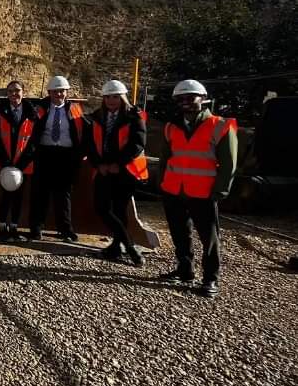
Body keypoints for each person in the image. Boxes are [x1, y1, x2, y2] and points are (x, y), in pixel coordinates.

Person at [158, 79, 238, 298]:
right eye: (181, 99)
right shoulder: (171, 126)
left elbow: (229, 163)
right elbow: (166, 158)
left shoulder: (220, 125)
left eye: (190, 97)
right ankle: (185, 269)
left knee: (209, 238)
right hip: (174, 190)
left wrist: (221, 190)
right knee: (179, 233)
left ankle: (210, 278)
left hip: (204, 192)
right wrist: (162, 183)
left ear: (202, 99)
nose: (185, 102)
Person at [87, 80, 149, 267]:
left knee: (120, 210)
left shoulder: (134, 116)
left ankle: (117, 246)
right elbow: (90, 144)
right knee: (102, 207)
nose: (111, 100)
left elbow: (137, 144)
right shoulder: (97, 116)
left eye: (115, 97)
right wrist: (98, 164)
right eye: (107, 97)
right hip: (104, 169)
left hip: (125, 171)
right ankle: (130, 247)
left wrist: (118, 164)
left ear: (122, 98)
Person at [28, 75, 87, 241]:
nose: (59, 94)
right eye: (55, 91)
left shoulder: (76, 109)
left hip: (66, 157)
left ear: (67, 92)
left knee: (63, 195)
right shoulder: (40, 108)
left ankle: (65, 229)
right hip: (44, 155)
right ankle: (36, 228)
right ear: (49, 92)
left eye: (62, 91)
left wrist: (81, 153)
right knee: (40, 193)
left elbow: (86, 131)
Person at [0, 80, 37, 240]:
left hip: (23, 164)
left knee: (19, 195)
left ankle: (14, 227)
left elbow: (33, 141)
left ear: (23, 92)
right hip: (3, 163)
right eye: (10, 91)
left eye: (17, 90)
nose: (14, 94)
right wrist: (5, 162)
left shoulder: (32, 113)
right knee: (5, 194)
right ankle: (2, 226)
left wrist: (21, 163)